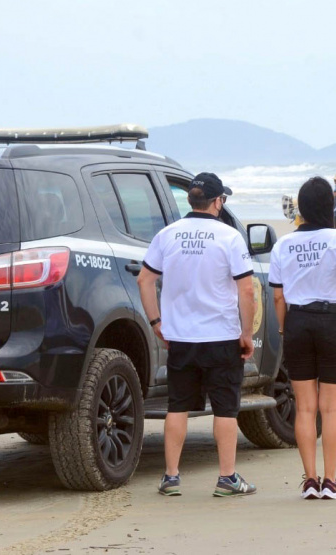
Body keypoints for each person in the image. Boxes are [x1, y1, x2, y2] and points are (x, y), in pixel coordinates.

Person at [137, 172, 258, 497]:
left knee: (178, 406)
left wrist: (155, 322)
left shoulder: (168, 234)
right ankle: (227, 477)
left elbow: (144, 280)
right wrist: (246, 333)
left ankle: (171, 476)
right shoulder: (229, 237)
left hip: (181, 337)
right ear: (218, 201)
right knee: (225, 408)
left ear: (191, 200)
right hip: (221, 335)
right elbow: (246, 290)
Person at [268, 176, 336, 500]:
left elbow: (278, 297)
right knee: (332, 408)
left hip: (298, 322)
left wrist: (284, 328)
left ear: (302, 207)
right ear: (329, 204)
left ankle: (310, 480)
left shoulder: (283, 244)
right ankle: (331, 479)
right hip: (332, 322)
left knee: (306, 408)